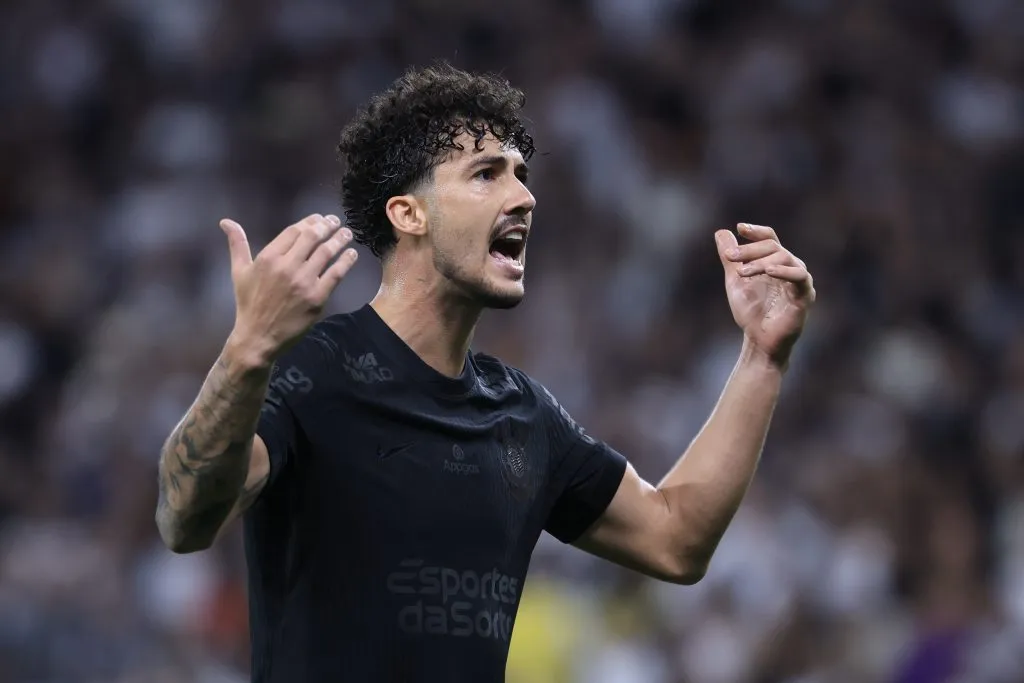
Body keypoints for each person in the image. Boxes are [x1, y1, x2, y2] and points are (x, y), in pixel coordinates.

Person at [155, 61, 816, 682]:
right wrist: (246, 351)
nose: (524, 196)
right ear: (408, 213)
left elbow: (678, 539)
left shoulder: (521, 414)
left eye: (522, 174)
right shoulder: (313, 368)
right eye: (486, 173)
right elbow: (185, 518)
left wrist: (763, 356)